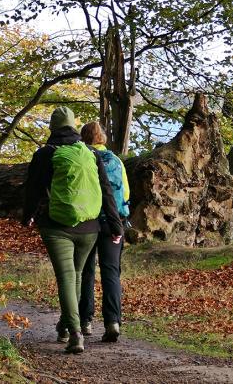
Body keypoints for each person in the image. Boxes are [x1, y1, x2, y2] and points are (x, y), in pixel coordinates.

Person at [22, 107, 123, 353]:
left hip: (57, 226)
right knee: (76, 275)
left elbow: (32, 189)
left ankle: (75, 333)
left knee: (67, 276)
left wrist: (27, 216)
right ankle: (66, 325)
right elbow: (106, 190)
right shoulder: (89, 152)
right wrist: (115, 224)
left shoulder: (45, 154)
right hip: (89, 227)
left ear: (52, 128)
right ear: (74, 127)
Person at [78, 121, 130, 342]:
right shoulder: (116, 160)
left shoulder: (82, 157)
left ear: (83, 138)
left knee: (86, 271)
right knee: (111, 272)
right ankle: (113, 321)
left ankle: (85, 321)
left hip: (89, 221)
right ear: (103, 138)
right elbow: (125, 191)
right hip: (114, 221)